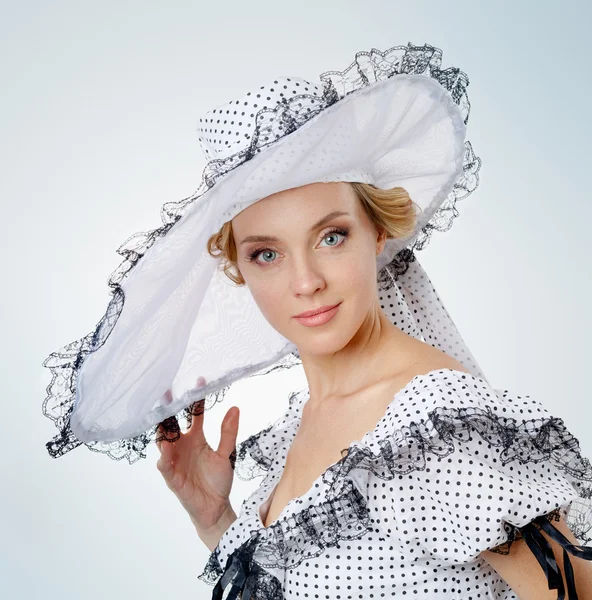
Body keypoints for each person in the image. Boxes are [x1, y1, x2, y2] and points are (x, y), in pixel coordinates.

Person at [42, 43, 592, 599]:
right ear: (238, 268)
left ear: (377, 232)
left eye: (331, 237)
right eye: (267, 253)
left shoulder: (438, 427)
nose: (306, 282)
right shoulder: (304, 425)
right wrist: (216, 520)